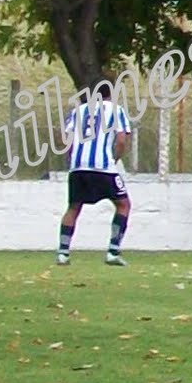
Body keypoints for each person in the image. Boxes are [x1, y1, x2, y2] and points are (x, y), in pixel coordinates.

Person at [58, 86, 133, 266]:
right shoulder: (116, 110)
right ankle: (113, 252)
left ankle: (63, 253)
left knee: (74, 207)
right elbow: (121, 140)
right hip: (103, 166)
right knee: (123, 204)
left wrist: (72, 159)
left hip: (78, 166)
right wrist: (115, 158)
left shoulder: (78, 111)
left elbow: (65, 139)